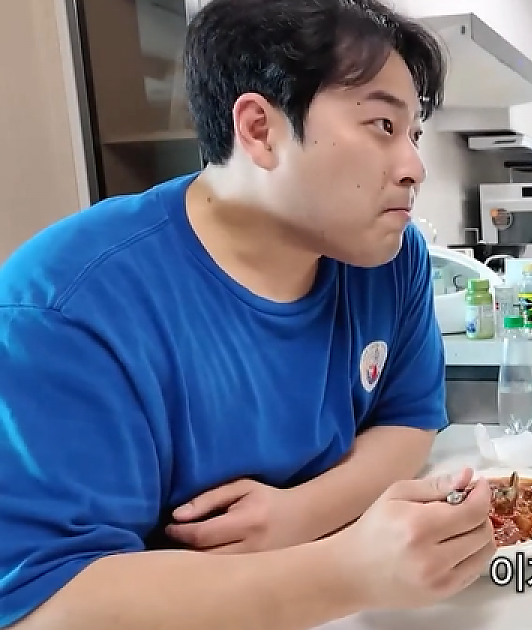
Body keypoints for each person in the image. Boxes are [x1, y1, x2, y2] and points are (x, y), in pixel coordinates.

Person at [0, 0, 497, 628]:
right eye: (382, 125)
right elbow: (46, 602)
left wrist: (303, 513)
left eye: (414, 135)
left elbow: (409, 419)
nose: (414, 168)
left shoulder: (390, 260)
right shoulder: (65, 307)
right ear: (260, 130)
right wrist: (344, 573)